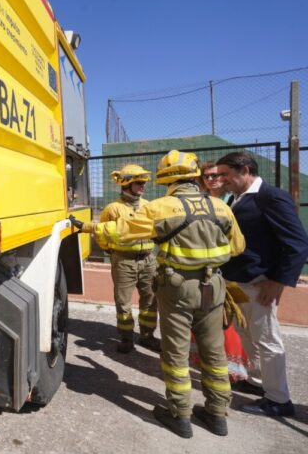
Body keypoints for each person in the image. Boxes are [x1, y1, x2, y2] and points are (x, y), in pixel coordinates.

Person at [70, 150, 244, 438]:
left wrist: (86, 226)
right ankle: (217, 415)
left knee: (176, 353)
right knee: (214, 352)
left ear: (166, 178)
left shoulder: (160, 207)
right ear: (193, 174)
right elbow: (237, 247)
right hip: (214, 286)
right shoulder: (221, 207)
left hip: (177, 286)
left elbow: (119, 231)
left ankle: (180, 416)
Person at [216, 152, 308, 417]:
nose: (221, 180)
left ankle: (279, 399)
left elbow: (298, 243)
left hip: (260, 284)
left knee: (267, 340)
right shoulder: (236, 198)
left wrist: (278, 281)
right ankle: (257, 382)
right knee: (248, 336)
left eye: (225, 175)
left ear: (245, 170)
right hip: (239, 282)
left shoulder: (270, 197)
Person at [192, 161, 250, 383]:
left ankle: (233, 370)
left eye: (216, 175)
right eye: (206, 176)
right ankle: (207, 364)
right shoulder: (200, 201)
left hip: (230, 267)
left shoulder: (232, 200)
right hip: (205, 270)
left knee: (229, 322)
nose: (211, 180)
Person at [99, 164, 160, 353]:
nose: (143, 186)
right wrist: (114, 252)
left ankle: (147, 336)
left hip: (149, 260)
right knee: (123, 301)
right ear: (126, 184)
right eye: (139, 182)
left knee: (150, 300)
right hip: (123, 261)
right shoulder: (113, 209)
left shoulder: (149, 206)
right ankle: (126, 338)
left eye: (143, 183)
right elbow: (101, 235)